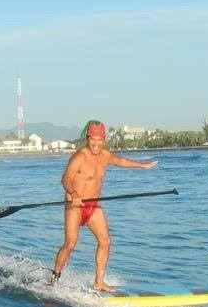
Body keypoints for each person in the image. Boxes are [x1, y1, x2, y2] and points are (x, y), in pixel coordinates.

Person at [50, 120, 157, 292]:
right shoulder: (80, 156)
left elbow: (121, 161)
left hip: (93, 206)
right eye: (93, 140)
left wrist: (142, 165)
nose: (96, 144)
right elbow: (65, 178)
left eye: (100, 140)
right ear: (87, 138)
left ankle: (99, 282)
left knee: (105, 241)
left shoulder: (105, 155)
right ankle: (54, 277)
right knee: (70, 243)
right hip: (75, 206)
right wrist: (74, 194)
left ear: (104, 140)